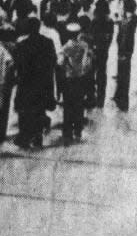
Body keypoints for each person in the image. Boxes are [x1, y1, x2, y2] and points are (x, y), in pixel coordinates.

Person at [12, 17, 57, 149]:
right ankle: (38, 136)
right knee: (39, 109)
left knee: (25, 111)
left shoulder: (22, 44)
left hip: (26, 83)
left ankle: (25, 137)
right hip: (42, 83)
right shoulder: (48, 42)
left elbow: (18, 64)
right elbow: (52, 61)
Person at [57, 22, 91, 145]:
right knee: (79, 104)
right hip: (81, 79)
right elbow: (88, 63)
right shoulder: (84, 45)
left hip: (69, 79)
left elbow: (60, 62)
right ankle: (78, 130)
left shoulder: (66, 47)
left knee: (68, 106)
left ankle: (67, 132)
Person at [113, 0, 137, 112]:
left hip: (125, 50)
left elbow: (125, 35)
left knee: (124, 75)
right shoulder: (128, 18)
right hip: (124, 49)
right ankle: (119, 97)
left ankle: (123, 101)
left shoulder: (131, 19)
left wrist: (123, 51)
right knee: (122, 73)